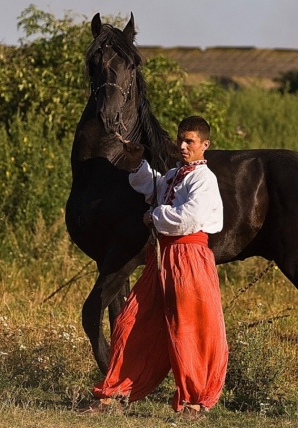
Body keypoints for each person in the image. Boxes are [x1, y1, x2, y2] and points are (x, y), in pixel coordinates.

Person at [87, 116, 227, 421]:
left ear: (205, 144)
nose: (182, 146)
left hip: (189, 257)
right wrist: (137, 164)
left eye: (190, 141)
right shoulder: (176, 175)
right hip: (162, 258)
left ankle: (194, 401)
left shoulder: (204, 180)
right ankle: (114, 392)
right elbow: (154, 188)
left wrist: (154, 216)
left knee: (189, 329)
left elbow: (190, 218)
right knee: (131, 321)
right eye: (180, 139)